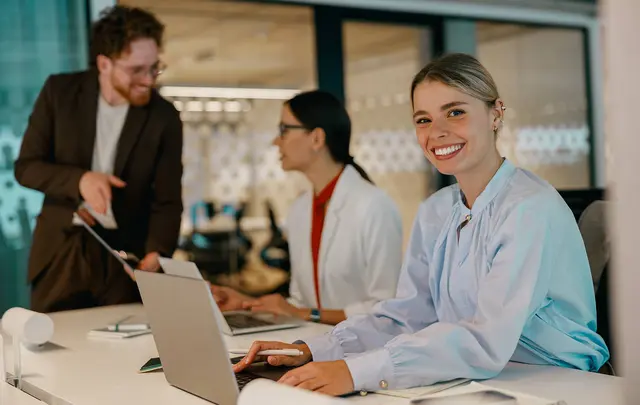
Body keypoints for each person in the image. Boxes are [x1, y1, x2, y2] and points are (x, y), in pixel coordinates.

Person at [233, 53, 610, 395]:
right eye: (423, 120)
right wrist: (311, 350)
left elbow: (486, 339)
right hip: (474, 376)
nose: (437, 131)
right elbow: (406, 317)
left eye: (455, 112)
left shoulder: (529, 208)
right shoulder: (436, 211)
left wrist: (355, 372)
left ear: (496, 113)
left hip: (558, 382)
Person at [14, 5, 183, 313]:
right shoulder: (59, 92)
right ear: (105, 64)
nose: (148, 80)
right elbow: (26, 168)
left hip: (126, 262)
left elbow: (168, 200)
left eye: (154, 67)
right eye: (136, 70)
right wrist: (81, 180)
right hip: (61, 253)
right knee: (51, 353)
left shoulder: (165, 117)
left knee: (128, 357)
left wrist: (157, 252)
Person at [213, 90, 403, 325]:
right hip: (317, 346)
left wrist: (305, 314)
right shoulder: (301, 210)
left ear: (316, 138)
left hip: (367, 353)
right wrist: (243, 303)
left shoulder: (374, 207)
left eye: (284, 130)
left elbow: (388, 309)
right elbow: (299, 305)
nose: (275, 141)